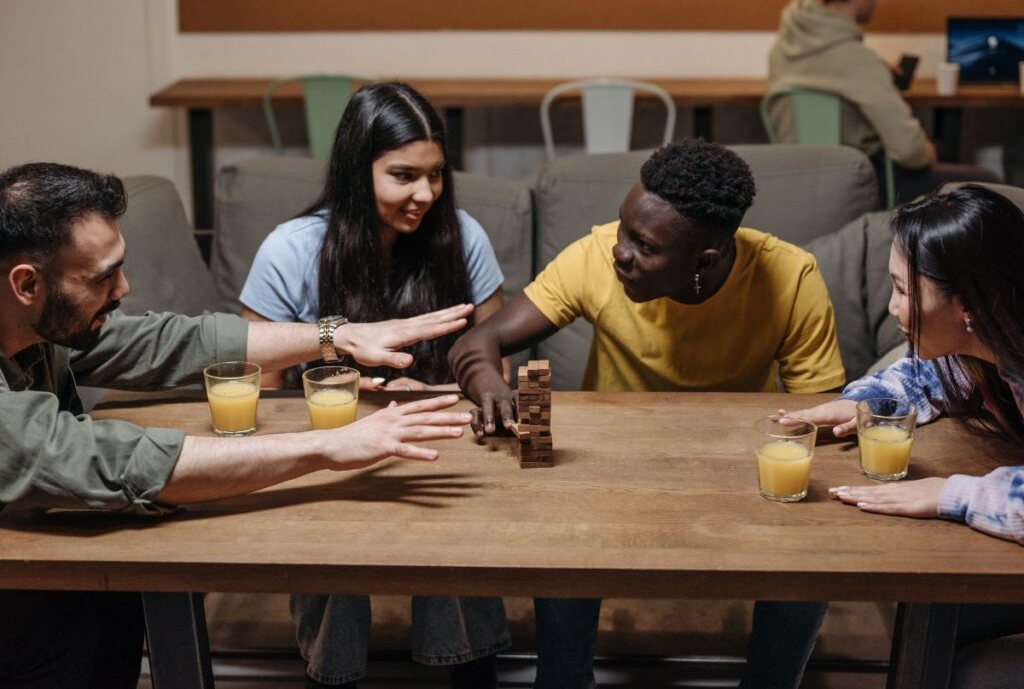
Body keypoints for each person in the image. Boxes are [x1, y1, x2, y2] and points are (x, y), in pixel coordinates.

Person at [0, 162, 477, 689]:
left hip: (70, 577)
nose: (123, 288)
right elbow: (109, 459)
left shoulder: (41, 322)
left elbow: (169, 342)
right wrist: (330, 446)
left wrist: (336, 334)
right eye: (102, 276)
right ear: (27, 284)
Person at [449, 139, 847, 689]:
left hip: (738, 473)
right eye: (622, 228)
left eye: (645, 245)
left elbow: (819, 417)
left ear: (703, 261)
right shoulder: (594, 257)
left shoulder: (791, 277)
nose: (621, 252)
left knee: (811, 552)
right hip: (609, 473)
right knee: (561, 532)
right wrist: (490, 384)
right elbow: (479, 342)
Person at [239, 82, 510, 689]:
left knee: (452, 527)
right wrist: (364, 403)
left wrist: (441, 396)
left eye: (436, 175)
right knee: (330, 537)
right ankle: (332, 674)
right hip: (328, 448)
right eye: (404, 176)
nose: (425, 195)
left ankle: (470, 671)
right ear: (356, 173)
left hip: (440, 441)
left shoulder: (462, 235)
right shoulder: (292, 249)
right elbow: (262, 388)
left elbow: (494, 363)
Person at [779, 185, 1024, 688]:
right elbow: (929, 377)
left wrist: (952, 493)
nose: (892, 307)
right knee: (932, 621)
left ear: (968, 305)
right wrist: (863, 401)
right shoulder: (984, 346)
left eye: (905, 290)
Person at [766, 0, 998, 202]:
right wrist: (927, 150)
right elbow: (910, 152)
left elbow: (829, 74)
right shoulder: (858, 62)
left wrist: (873, 69)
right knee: (988, 183)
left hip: (797, 181)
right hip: (861, 186)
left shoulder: (782, 49)